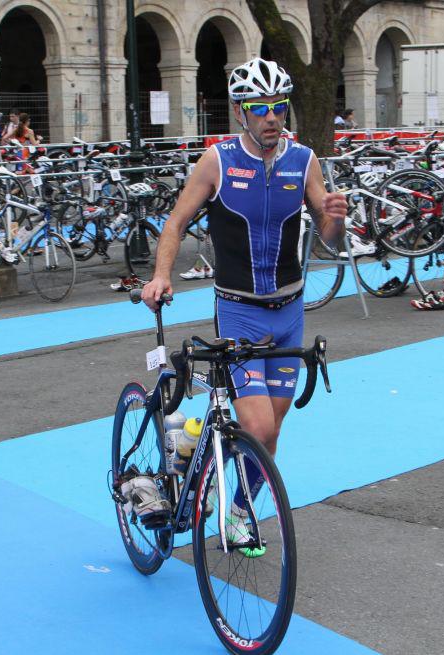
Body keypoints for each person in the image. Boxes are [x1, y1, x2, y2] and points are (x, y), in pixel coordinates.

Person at [140, 57, 347, 555]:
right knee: (256, 426)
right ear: (240, 111)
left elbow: (330, 237)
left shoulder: (304, 160)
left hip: (290, 312)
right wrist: (162, 275)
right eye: (260, 108)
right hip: (240, 312)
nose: (272, 117)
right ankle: (199, 447)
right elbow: (175, 223)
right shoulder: (217, 161)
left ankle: (234, 507)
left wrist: (336, 217)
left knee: (270, 436)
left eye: (278, 106)